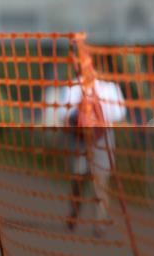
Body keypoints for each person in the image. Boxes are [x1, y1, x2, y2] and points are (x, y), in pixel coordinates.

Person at [43, 74, 127, 236]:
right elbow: (64, 114)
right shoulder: (75, 85)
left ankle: (99, 222)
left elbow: (118, 114)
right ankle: (74, 214)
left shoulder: (109, 87)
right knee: (80, 179)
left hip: (102, 137)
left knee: (100, 182)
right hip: (80, 137)